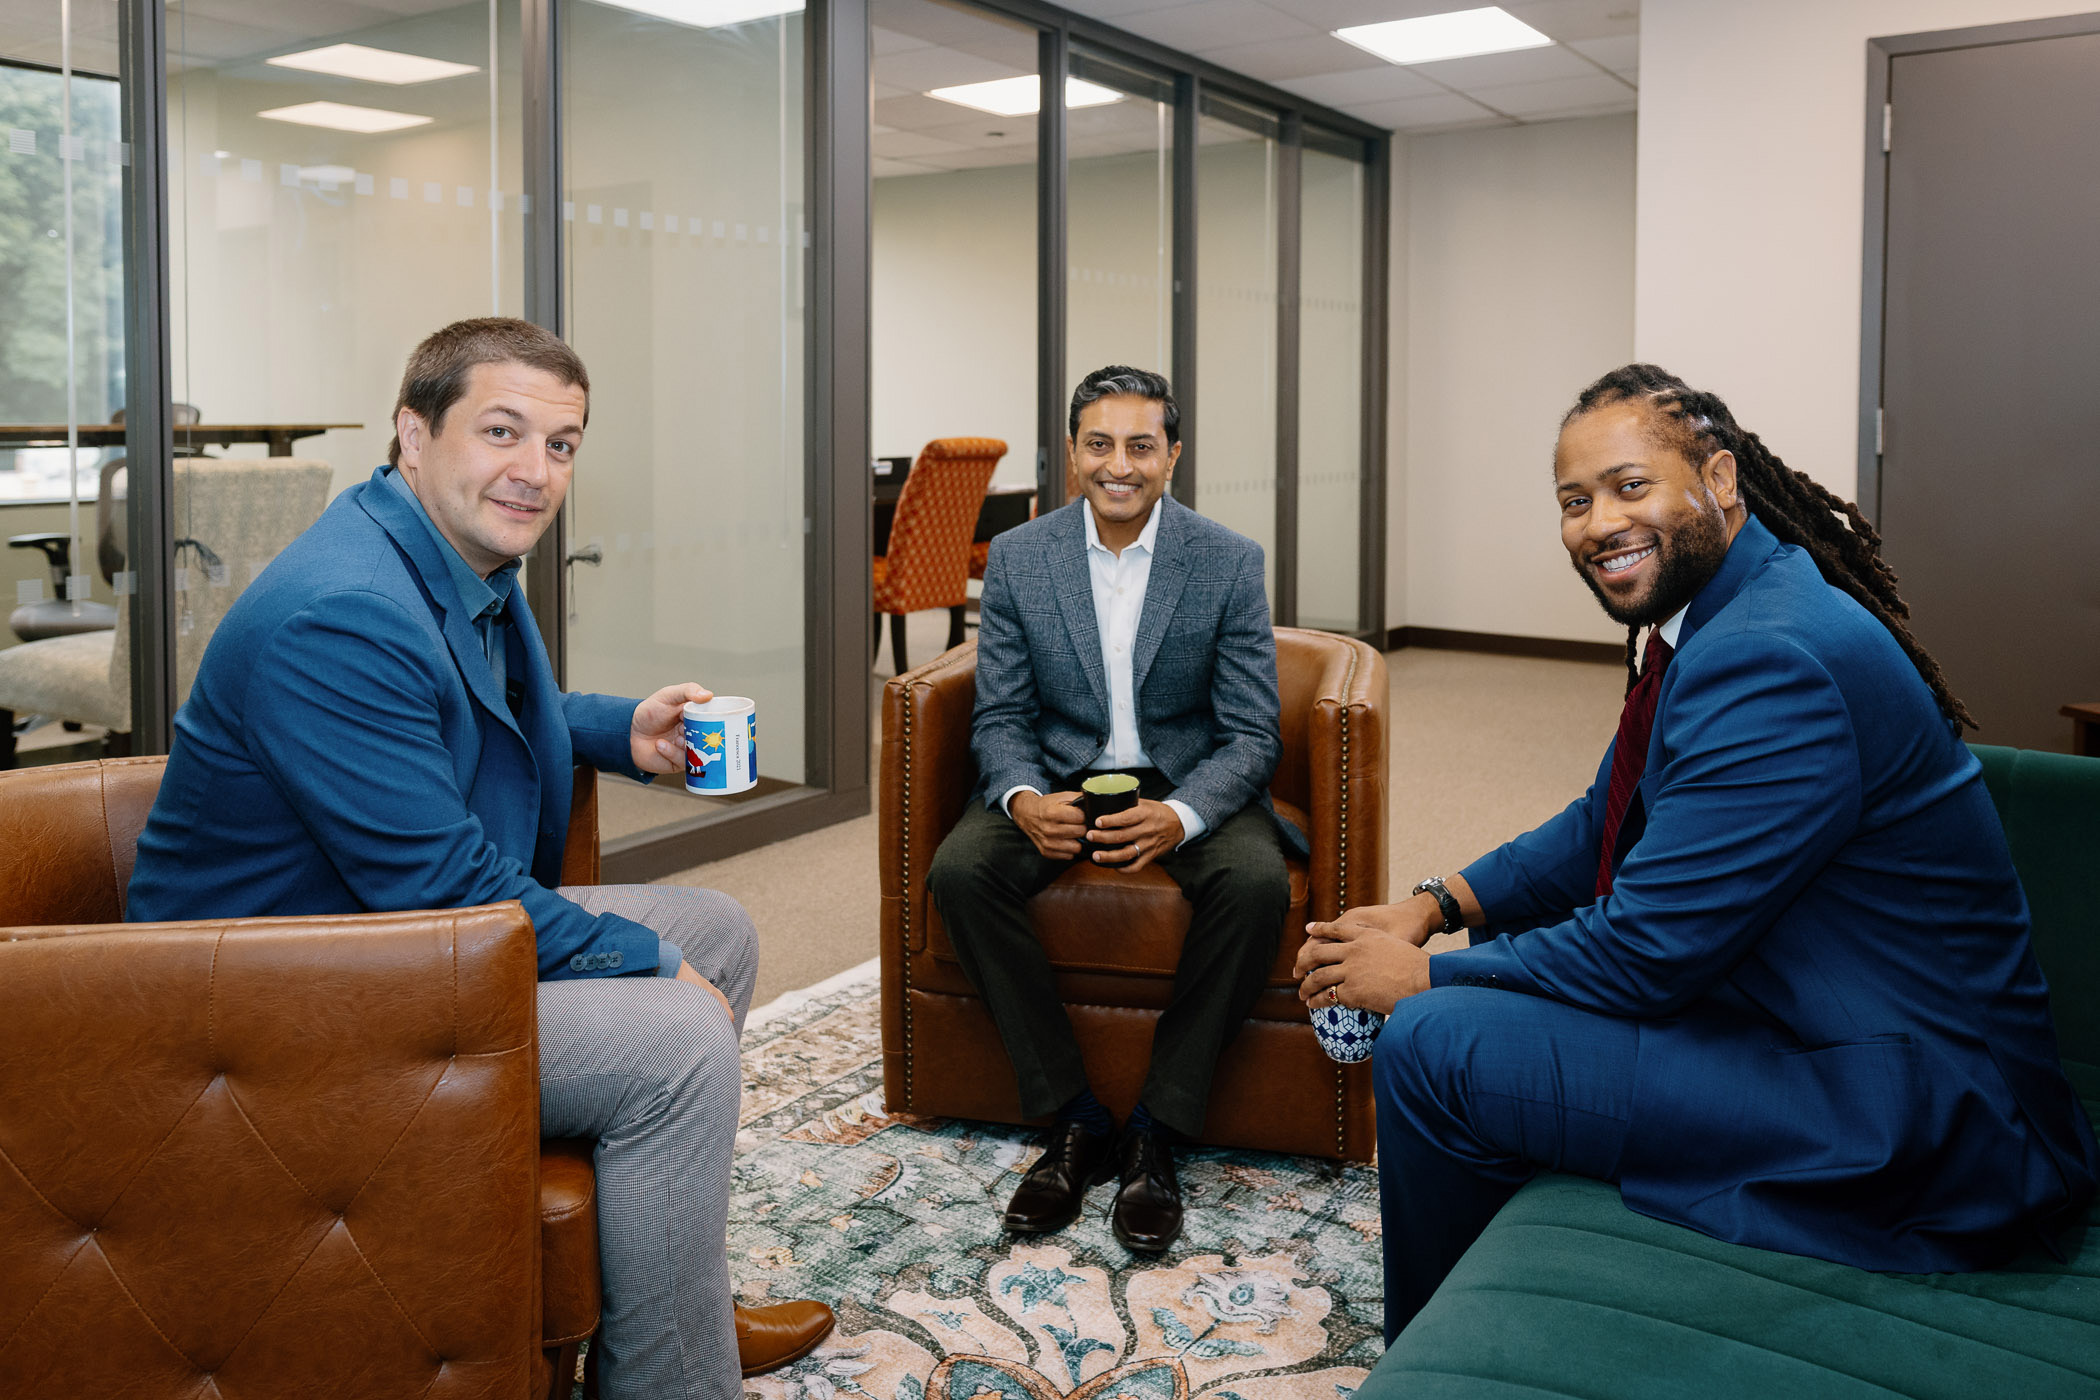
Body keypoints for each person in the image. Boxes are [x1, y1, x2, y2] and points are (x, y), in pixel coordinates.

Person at [1296, 363, 2099, 1340]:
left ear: (1720, 479)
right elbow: (1606, 820)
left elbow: (1644, 951)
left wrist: (1423, 978)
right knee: (1462, 1015)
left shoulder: (1771, 658)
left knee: (1432, 1044)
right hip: (1809, 1029)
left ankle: (1435, 1344)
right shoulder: (1720, 615)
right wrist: (1435, 902)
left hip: (1919, 1116)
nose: (1597, 522)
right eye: (1574, 500)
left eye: (1631, 485)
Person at [126, 318, 834, 1400]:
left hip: (377, 944)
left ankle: (674, 1309)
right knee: (682, 1035)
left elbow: (465, 699)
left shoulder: (429, 551)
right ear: (413, 432)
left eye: (561, 444)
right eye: (501, 430)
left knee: (721, 930)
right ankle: (670, 1382)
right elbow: (446, 886)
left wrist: (615, 729)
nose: (535, 470)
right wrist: (637, 957)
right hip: (276, 1007)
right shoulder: (343, 611)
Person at [926, 365, 1302, 1255]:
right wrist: (1021, 798)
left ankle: (1156, 1134)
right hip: (1061, 776)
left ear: (1173, 455)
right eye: (1100, 444)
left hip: (1184, 779)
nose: (1119, 465)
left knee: (1255, 885)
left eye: (1141, 445)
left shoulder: (1228, 559)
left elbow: (1251, 732)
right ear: (1072, 455)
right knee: (961, 872)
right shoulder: (1023, 557)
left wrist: (1182, 816)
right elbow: (1003, 714)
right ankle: (1076, 1119)